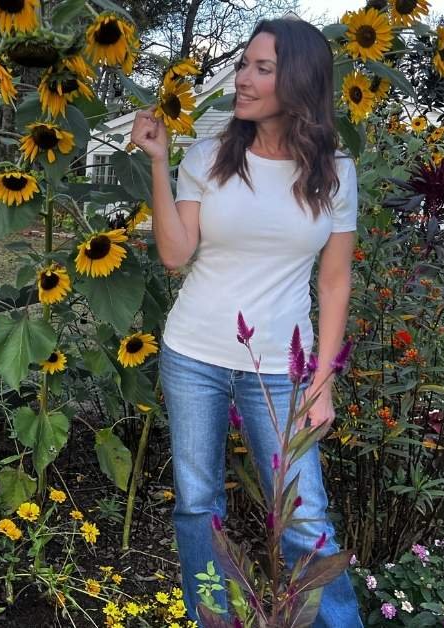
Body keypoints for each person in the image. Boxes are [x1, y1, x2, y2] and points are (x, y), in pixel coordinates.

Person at [130, 18, 363, 627]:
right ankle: (214, 619)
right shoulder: (209, 157)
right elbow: (177, 255)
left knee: (306, 517)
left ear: (301, 81)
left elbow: (334, 280)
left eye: (263, 68)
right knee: (196, 507)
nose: (244, 79)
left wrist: (323, 381)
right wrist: (159, 162)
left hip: (281, 375)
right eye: (244, 65)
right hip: (194, 354)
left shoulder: (335, 170)